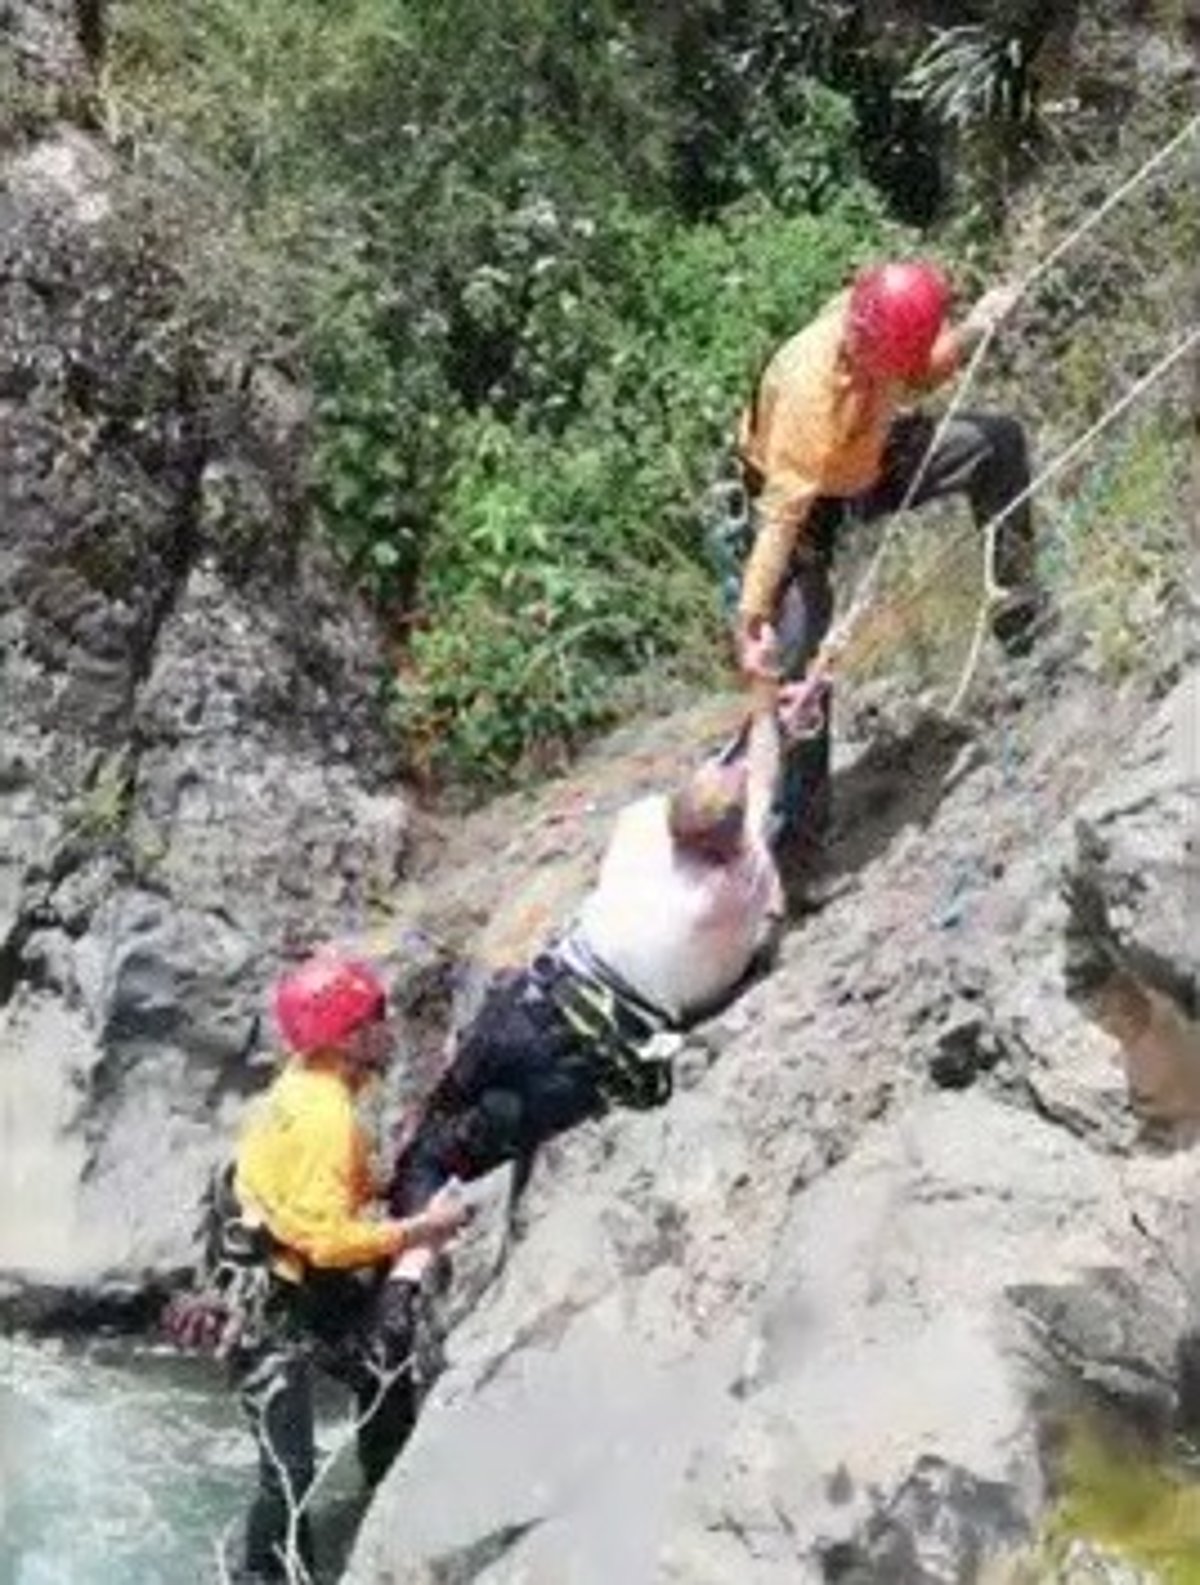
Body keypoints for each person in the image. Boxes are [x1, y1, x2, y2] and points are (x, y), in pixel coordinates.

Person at [381, 684, 821, 1313]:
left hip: (526, 1009)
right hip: (582, 1066)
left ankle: (397, 1273)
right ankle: (408, 1286)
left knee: (428, 1145)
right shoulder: (743, 881)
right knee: (466, 1154)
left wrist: (761, 691)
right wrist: (780, 712)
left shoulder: (639, 829)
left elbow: (725, 775)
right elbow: (760, 779)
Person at [717, 258, 1041, 854]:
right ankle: (795, 837)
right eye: (882, 363)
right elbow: (783, 516)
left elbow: (920, 374)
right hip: (798, 500)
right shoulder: (807, 388)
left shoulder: (888, 331)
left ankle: (1023, 627)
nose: (891, 372)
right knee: (796, 656)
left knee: (998, 444)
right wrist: (751, 616)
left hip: (869, 459)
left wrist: (976, 328)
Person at [212, 951, 469, 1583]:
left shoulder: (307, 1080)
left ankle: (385, 1492)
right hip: (270, 1301)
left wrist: (380, 1189)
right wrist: (421, 1229)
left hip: (279, 1273)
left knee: (381, 1361)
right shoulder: (325, 1114)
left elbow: (315, 1202)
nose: (389, 1026)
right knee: (288, 1469)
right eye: (377, 1016)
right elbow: (325, 1241)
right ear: (348, 1037)